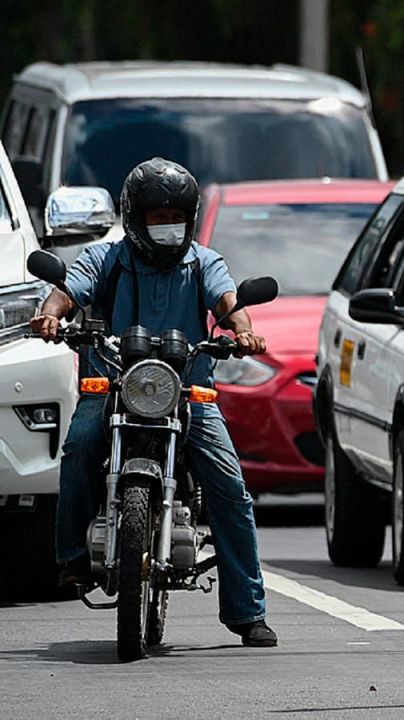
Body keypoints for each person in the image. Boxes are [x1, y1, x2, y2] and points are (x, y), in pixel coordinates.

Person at [29, 158, 278, 647]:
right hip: (114, 387)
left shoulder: (205, 261)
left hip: (188, 393)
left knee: (230, 488)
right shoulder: (106, 259)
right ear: (135, 220)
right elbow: (66, 292)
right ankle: (71, 558)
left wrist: (245, 333)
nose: (168, 228)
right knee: (79, 447)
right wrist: (49, 316)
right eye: (157, 219)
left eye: (176, 219)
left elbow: (229, 303)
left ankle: (248, 611)